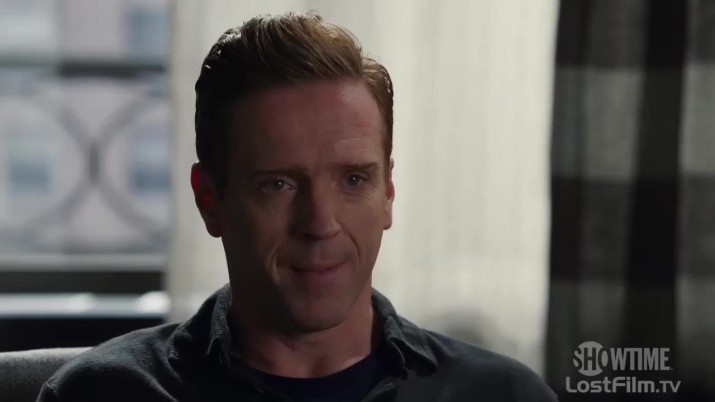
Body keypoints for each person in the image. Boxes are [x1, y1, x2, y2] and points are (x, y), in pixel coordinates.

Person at [37, 11, 557, 402]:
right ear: (209, 200)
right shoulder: (105, 393)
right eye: (279, 185)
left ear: (388, 194)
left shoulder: (501, 394)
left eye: (353, 180)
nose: (320, 224)